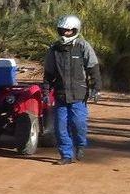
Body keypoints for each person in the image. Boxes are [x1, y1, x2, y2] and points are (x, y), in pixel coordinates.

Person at [43, 14, 100, 165]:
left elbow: (93, 67)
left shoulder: (82, 46)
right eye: (63, 30)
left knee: (78, 123)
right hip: (61, 94)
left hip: (79, 94)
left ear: (75, 30)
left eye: (69, 31)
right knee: (60, 126)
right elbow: (48, 73)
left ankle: (80, 145)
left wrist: (96, 88)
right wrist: (46, 91)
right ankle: (66, 155)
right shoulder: (54, 49)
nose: (65, 33)